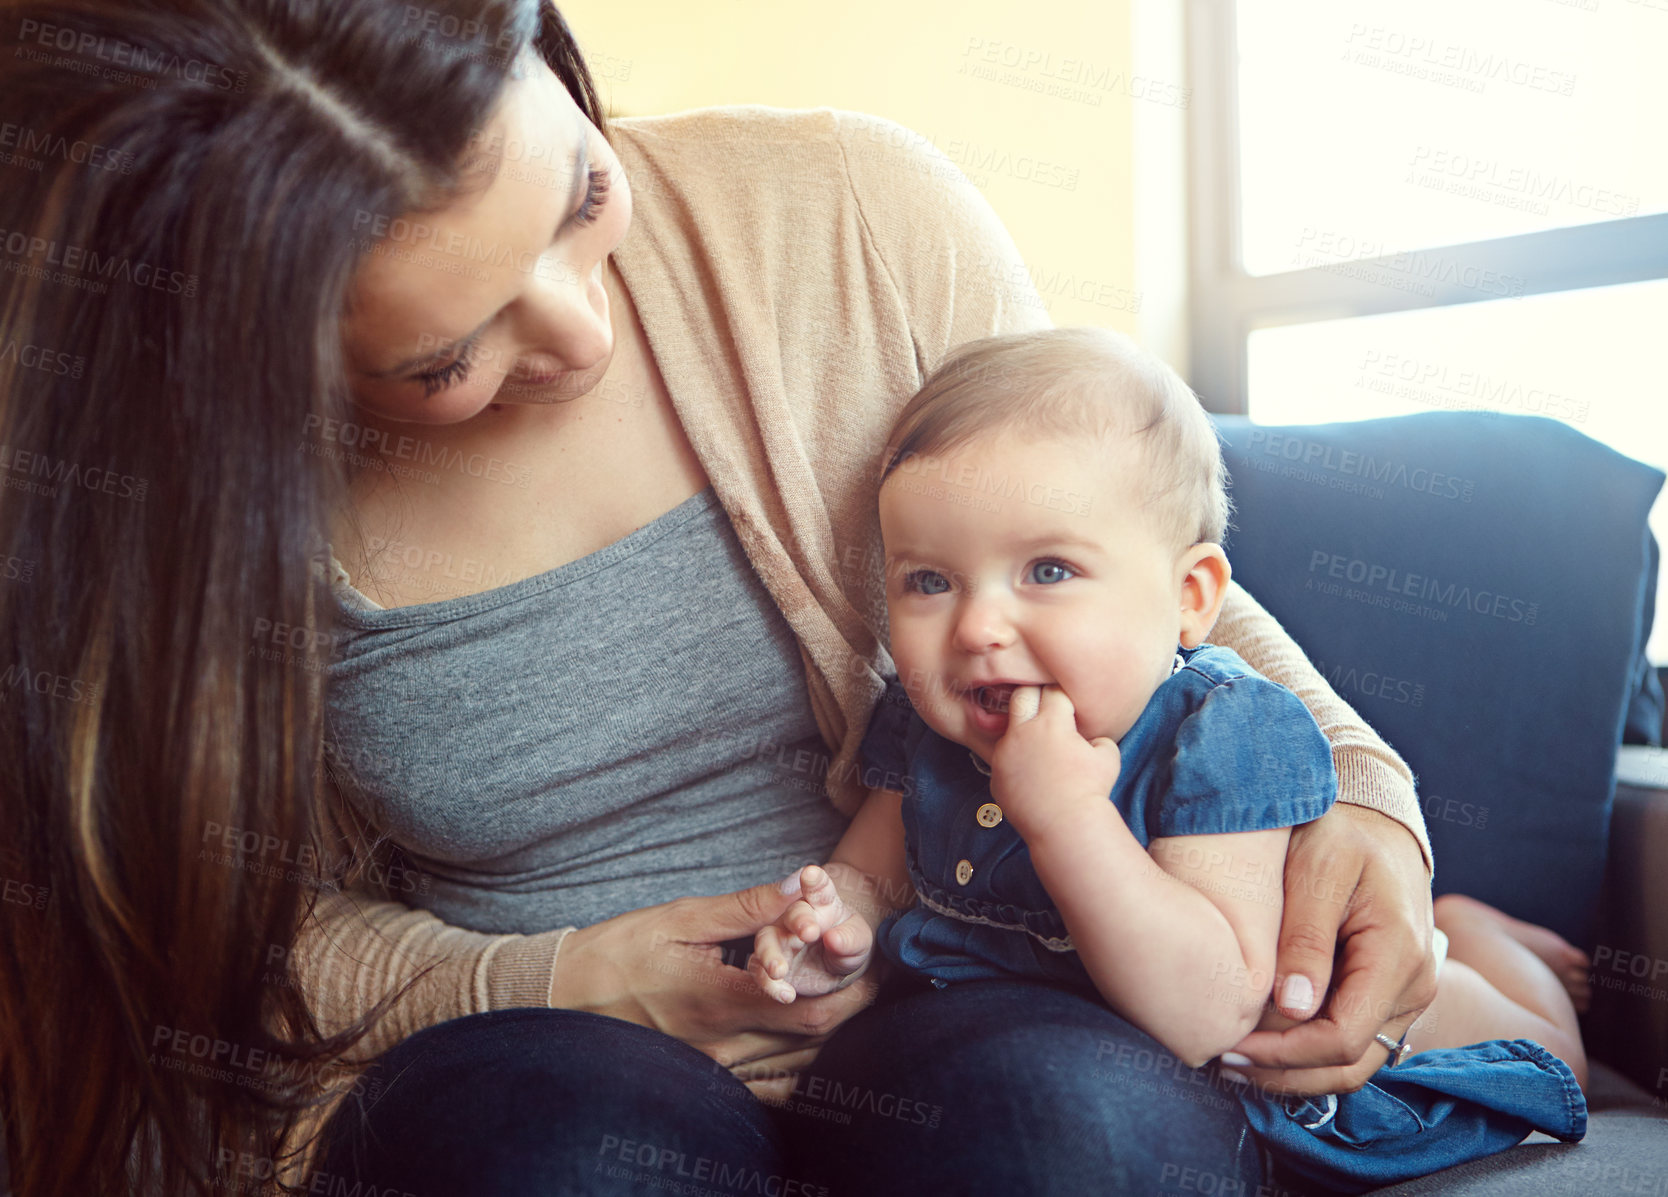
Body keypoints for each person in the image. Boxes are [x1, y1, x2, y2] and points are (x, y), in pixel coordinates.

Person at [0, 2, 1447, 1192]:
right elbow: (211, 938)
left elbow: (1140, 570)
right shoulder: (154, 512)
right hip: (550, 1055)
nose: (581, 329)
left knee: (1073, 1136)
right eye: (445, 359)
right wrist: (571, 978)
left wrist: (1372, 800)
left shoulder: (852, 216)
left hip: (973, 1002)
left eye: (581, 196)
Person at [749, 326, 1591, 1194]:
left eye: (1047, 569)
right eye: (930, 581)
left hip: (1333, 1010)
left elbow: (1207, 1010)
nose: (976, 629)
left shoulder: (1223, 731)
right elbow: (872, 874)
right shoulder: (931, 728)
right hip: (1037, 1049)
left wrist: (1069, 818)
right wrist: (832, 929)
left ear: (1189, 600)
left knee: (1553, 1050)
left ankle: (1483, 934)